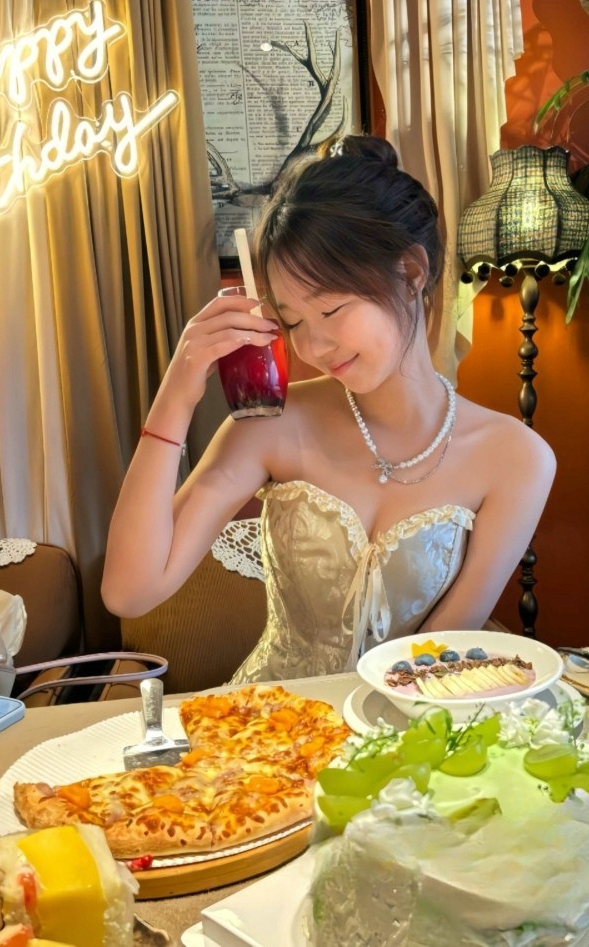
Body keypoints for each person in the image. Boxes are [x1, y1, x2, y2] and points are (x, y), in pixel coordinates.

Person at [102, 136, 556, 681]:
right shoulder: (271, 426)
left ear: (411, 274)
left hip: (411, 720)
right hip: (269, 722)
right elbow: (129, 591)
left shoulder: (518, 459)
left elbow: (439, 659)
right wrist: (176, 395)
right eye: (293, 321)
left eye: (332, 309)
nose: (313, 346)